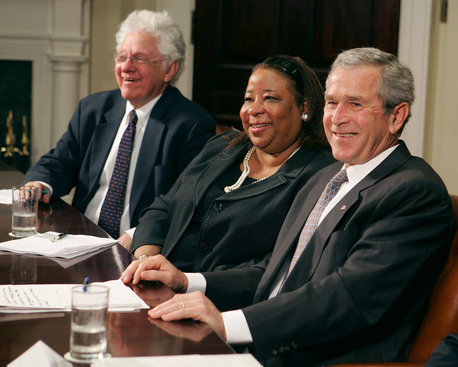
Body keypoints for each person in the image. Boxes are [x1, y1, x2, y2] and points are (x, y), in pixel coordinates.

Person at [121, 47, 455, 366]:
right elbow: (275, 273)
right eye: (333, 103)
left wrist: (228, 324)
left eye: (355, 104)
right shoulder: (327, 177)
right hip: (257, 345)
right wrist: (190, 283)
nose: (337, 119)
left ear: (396, 116)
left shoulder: (414, 191)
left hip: (321, 358)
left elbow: (348, 297)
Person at [129, 55, 334, 272]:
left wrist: (188, 282)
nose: (254, 109)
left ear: (304, 107)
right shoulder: (221, 146)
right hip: (157, 283)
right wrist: (145, 259)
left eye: (270, 98)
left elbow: (278, 267)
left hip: (221, 301)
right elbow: (165, 205)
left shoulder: (320, 174)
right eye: (248, 99)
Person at [23, 10, 215, 241]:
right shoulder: (93, 109)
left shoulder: (191, 124)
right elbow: (61, 161)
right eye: (122, 57)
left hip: (137, 248)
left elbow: (185, 202)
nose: (127, 66)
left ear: (169, 70)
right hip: (79, 237)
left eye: (140, 59)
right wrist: (39, 183)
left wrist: (137, 235)